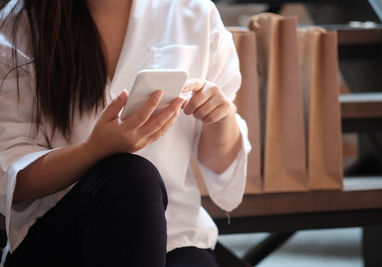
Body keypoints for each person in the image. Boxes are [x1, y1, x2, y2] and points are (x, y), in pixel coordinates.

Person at [0, 0, 250, 266]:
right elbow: (12, 178)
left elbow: (219, 164)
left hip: (176, 232)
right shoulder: (21, 22)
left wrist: (220, 117)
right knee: (131, 177)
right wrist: (94, 150)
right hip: (63, 232)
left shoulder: (195, 11)